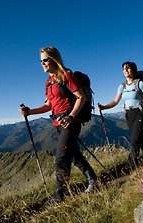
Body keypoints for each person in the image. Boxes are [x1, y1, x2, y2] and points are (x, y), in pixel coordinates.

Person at [20, 46, 97, 202]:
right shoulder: (49, 82)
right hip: (57, 122)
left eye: (46, 60)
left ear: (55, 59)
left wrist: (70, 116)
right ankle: (93, 179)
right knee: (74, 155)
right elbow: (48, 105)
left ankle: (59, 196)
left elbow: (81, 97)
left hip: (70, 122)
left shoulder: (66, 75)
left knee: (61, 158)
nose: (43, 63)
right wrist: (30, 111)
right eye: (41, 61)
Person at [98, 61, 143, 170]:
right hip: (128, 114)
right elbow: (115, 101)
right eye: (124, 69)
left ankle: (130, 166)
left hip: (140, 113)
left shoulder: (140, 83)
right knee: (138, 137)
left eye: (128, 68)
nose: (125, 70)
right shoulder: (122, 86)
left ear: (133, 70)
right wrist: (103, 107)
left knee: (134, 140)